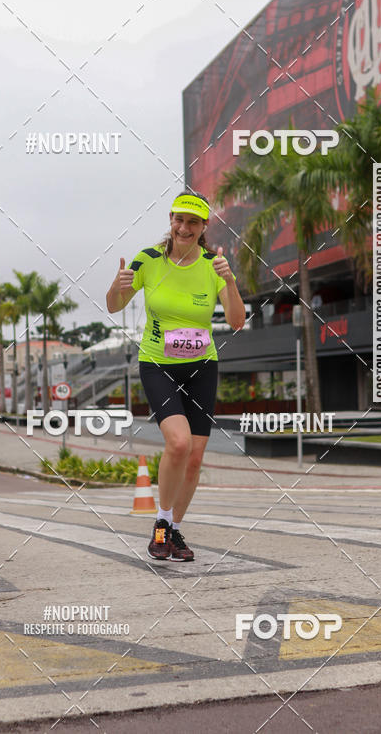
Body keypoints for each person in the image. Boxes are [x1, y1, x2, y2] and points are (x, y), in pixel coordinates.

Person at [106, 191, 245, 561]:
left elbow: (236, 321)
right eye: (179, 220)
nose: (184, 227)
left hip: (202, 366)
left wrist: (229, 281)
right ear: (171, 220)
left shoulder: (213, 265)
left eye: (193, 222)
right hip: (158, 365)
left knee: (196, 456)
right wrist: (117, 287)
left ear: (203, 228)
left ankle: (175, 532)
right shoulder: (148, 260)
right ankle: (162, 526)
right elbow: (113, 305)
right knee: (179, 443)